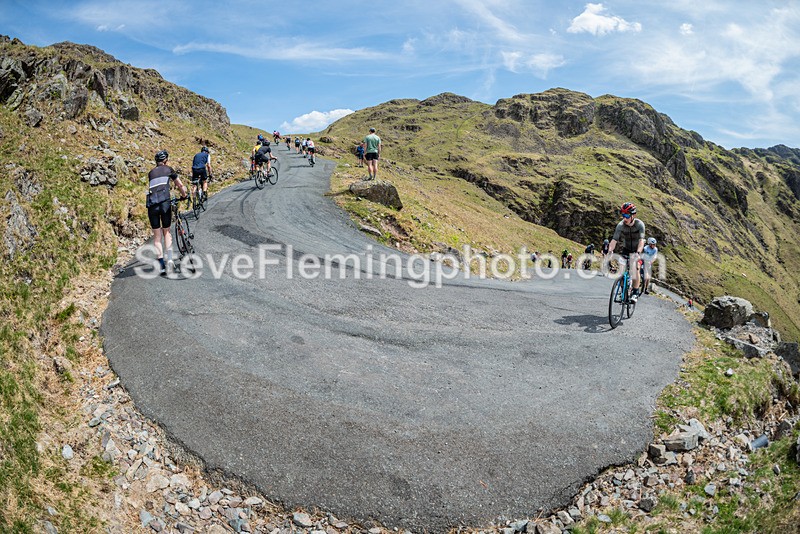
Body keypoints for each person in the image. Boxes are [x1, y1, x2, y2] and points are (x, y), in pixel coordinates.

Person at [146, 150, 188, 275]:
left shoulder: (151, 173)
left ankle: (161, 265)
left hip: (152, 206)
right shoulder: (169, 169)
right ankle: (169, 260)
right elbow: (179, 185)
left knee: (157, 237)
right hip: (164, 203)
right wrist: (184, 195)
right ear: (165, 160)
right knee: (167, 232)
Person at [605, 202, 646, 302]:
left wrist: (638, 253)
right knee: (621, 270)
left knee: (635, 268)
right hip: (626, 249)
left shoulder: (640, 225)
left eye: (627, 215)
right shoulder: (620, 225)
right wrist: (610, 251)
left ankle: (635, 292)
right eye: (623, 215)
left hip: (638, 250)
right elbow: (614, 240)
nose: (624, 218)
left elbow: (641, 241)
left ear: (633, 215)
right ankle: (623, 292)